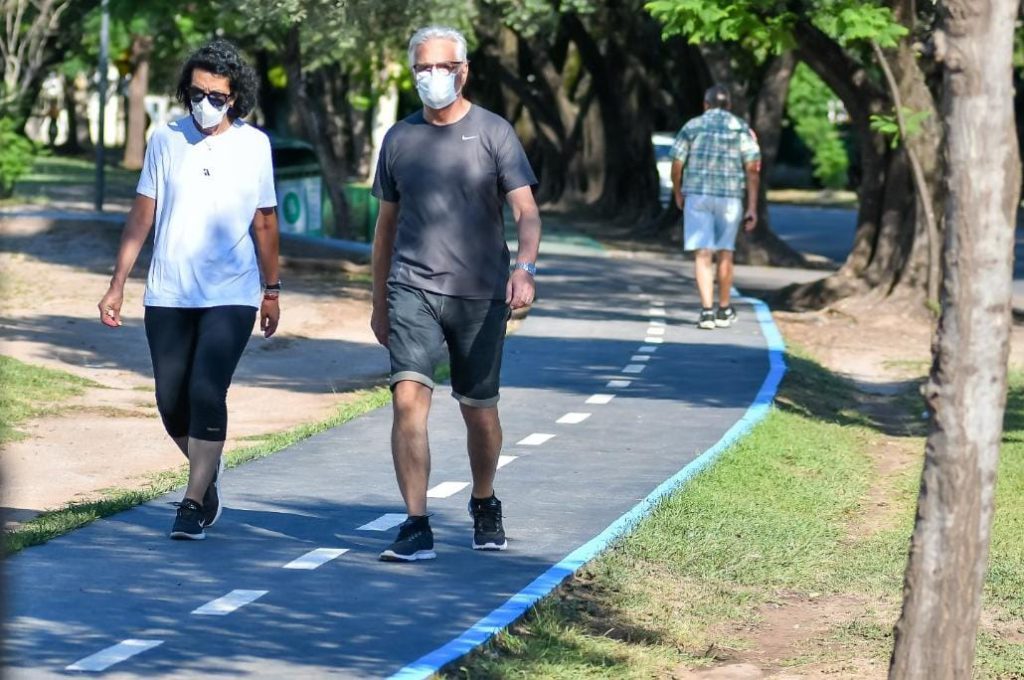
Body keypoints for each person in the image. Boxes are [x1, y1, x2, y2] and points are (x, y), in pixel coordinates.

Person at [370, 25, 542, 562]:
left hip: (480, 293)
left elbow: (527, 212)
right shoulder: (399, 138)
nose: (432, 76)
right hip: (412, 288)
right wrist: (378, 301)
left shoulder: (494, 132)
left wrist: (525, 269)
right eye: (423, 67)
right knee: (407, 400)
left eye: (442, 66)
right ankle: (416, 522)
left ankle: (484, 500)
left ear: (463, 71)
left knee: (479, 412)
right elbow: (385, 228)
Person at [97, 39, 280, 540]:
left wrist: (271, 290)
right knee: (170, 399)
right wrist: (117, 284)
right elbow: (142, 216)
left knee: (206, 389)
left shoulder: (254, 145)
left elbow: (265, 222)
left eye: (217, 97)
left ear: (235, 97)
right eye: (197, 93)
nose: (206, 104)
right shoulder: (166, 139)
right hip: (169, 293)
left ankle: (193, 500)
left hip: (232, 293)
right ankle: (207, 473)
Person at [670, 84, 761, 330]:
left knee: (702, 254)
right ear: (729, 105)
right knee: (725, 252)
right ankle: (724, 309)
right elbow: (753, 169)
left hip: (698, 196)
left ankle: (707, 311)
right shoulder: (740, 128)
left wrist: (678, 192)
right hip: (730, 198)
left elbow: (677, 163)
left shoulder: (693, 126)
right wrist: (752, 207)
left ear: (705, 104)